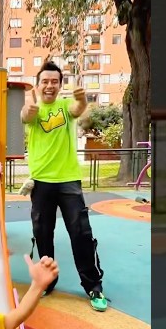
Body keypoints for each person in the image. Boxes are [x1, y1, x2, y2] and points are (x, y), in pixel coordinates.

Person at [20, 62, 108, 312]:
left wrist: (82, 100)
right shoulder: (33, 109)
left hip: (68, 180)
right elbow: (26, 115)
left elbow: (77, 109)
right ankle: (48, 280)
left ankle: (93, 286)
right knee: (43, 233)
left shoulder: (64, 106)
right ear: (38, 84)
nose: (49, 85)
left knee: (81, 233)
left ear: (60, 85)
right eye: (45, 81)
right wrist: (31, 107)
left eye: (54, 81)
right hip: (41, 182)